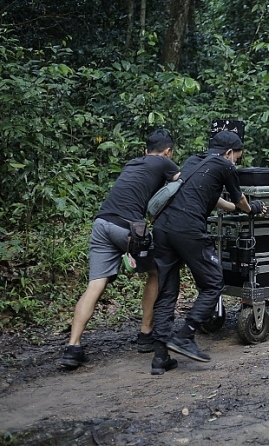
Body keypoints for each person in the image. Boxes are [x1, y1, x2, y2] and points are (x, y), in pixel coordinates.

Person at [60, 130, 180, 368]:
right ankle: (146, 335)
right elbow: (180, 185)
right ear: (168, 151)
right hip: (127, 229)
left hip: (102, 223)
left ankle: (73, 347)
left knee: (95, 285)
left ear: (146, 150)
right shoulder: (165, 162)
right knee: (155, 271)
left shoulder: (134, 163)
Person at [150, 130, 266, 375]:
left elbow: (210, 198)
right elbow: (243, 202)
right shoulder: (226, 166)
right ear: (229, 153)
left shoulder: (194, 161)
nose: (236, 162)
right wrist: (251, 208)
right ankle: (185, 335)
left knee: (167, 291)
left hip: (162, 227)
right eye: (237, 158)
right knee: (214, 283)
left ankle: (160, 357)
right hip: (188, 229)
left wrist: (234, 208)